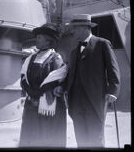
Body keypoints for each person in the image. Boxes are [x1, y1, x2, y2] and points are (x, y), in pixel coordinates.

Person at [66, 14, 120, 148]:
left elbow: (113, 69)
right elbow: (69, 75)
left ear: (86, 28)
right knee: (81, 138)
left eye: (75, 28)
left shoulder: (102, 44)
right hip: (76, 103)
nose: (72, 31)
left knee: (96, 138)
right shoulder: (73, 52)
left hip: (94, 100)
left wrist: (113, 91)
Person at [19, 23, 68, 147]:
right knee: (29, 135)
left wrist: (39, 94)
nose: (37, 39)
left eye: (40, 37)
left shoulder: (55, 58)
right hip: (31, 105)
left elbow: (54, 80)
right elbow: (24, 79)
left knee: (45, 136)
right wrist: (32, 93)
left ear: (48, 41)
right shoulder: (30, 58)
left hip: (47, 106)